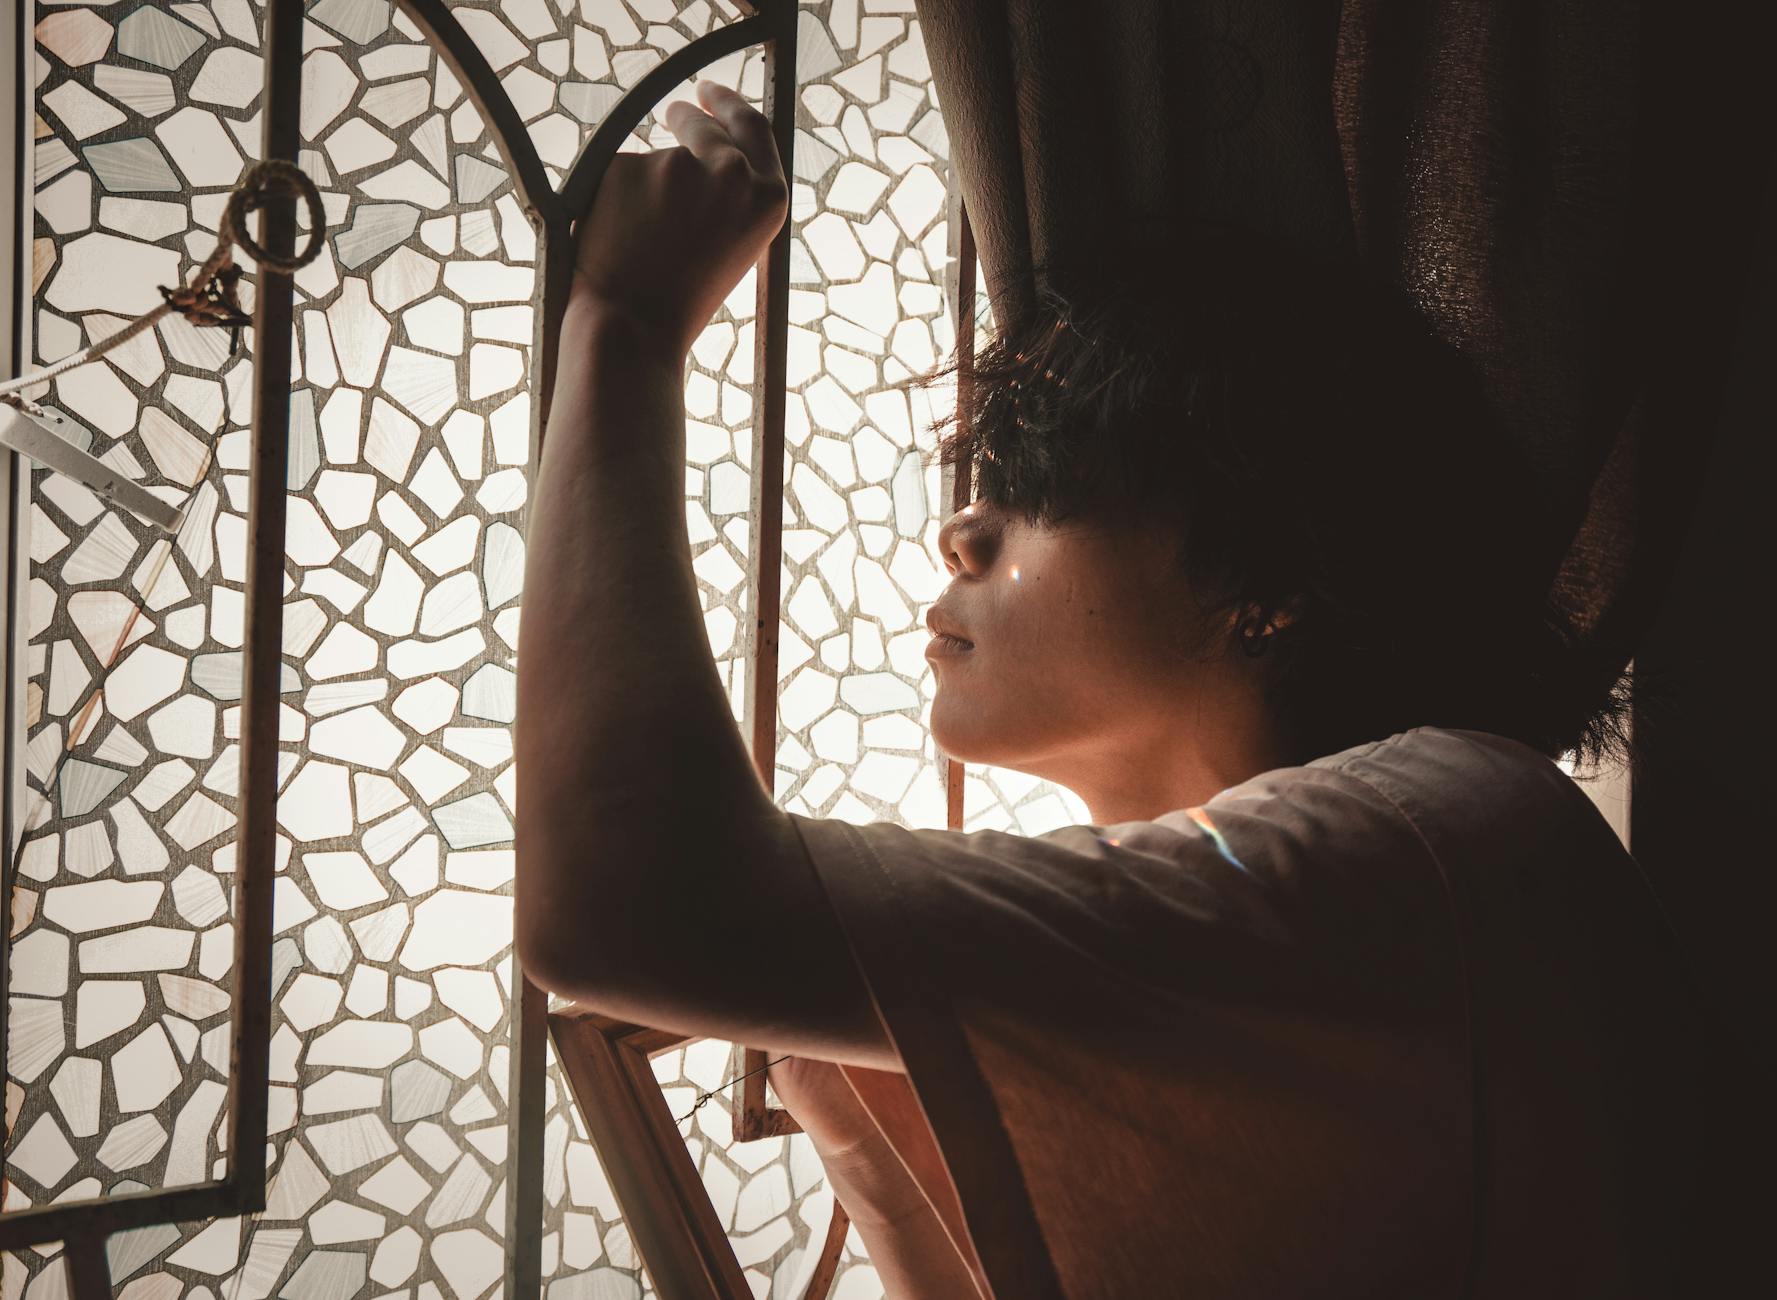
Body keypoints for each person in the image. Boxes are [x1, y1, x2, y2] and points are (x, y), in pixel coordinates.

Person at [516, 81, 1710, 1299]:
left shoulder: (1446, 825)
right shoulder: (1272, 940)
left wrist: (627, 318)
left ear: (1269, 572)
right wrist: (878, 1134)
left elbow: (622, 901)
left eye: (1045, 482)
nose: (963, 531)